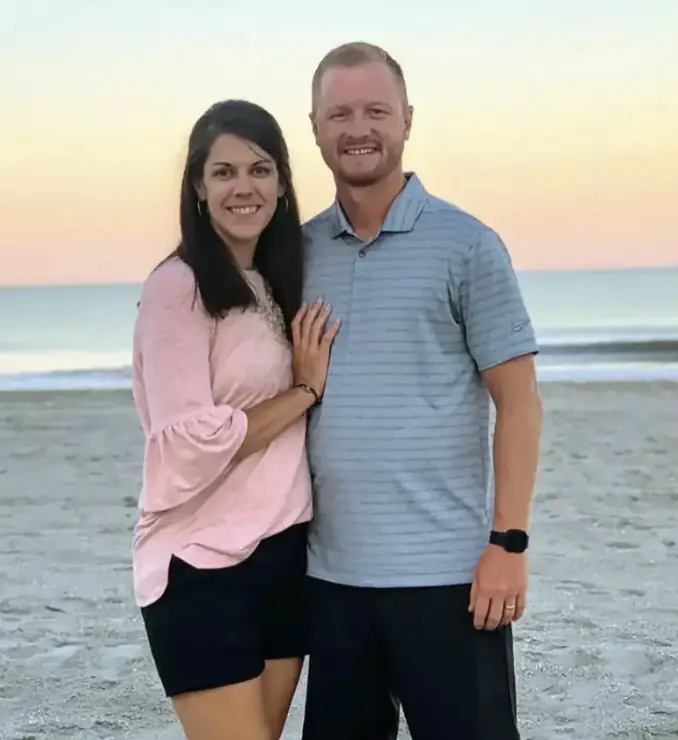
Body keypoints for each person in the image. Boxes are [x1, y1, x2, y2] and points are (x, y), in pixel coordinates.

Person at [301, 42, 543, 740]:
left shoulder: (467, 245)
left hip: (450, 581)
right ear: (314, 127)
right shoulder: (298, 252)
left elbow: (520, 403)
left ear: (407, 119)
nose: (359, 129)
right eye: (340, 114)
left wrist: (509, 544)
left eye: (376, 111)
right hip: (331, 581)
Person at [131, 99, 339, 740]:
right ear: (198, 187)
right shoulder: (179, 287)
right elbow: (190, 443)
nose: (243, 187)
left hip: (283, 555)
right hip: (198, 566)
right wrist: (304, 391)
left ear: (282, 184)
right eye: (223, 172)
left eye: (259, 169)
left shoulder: (276, 281)